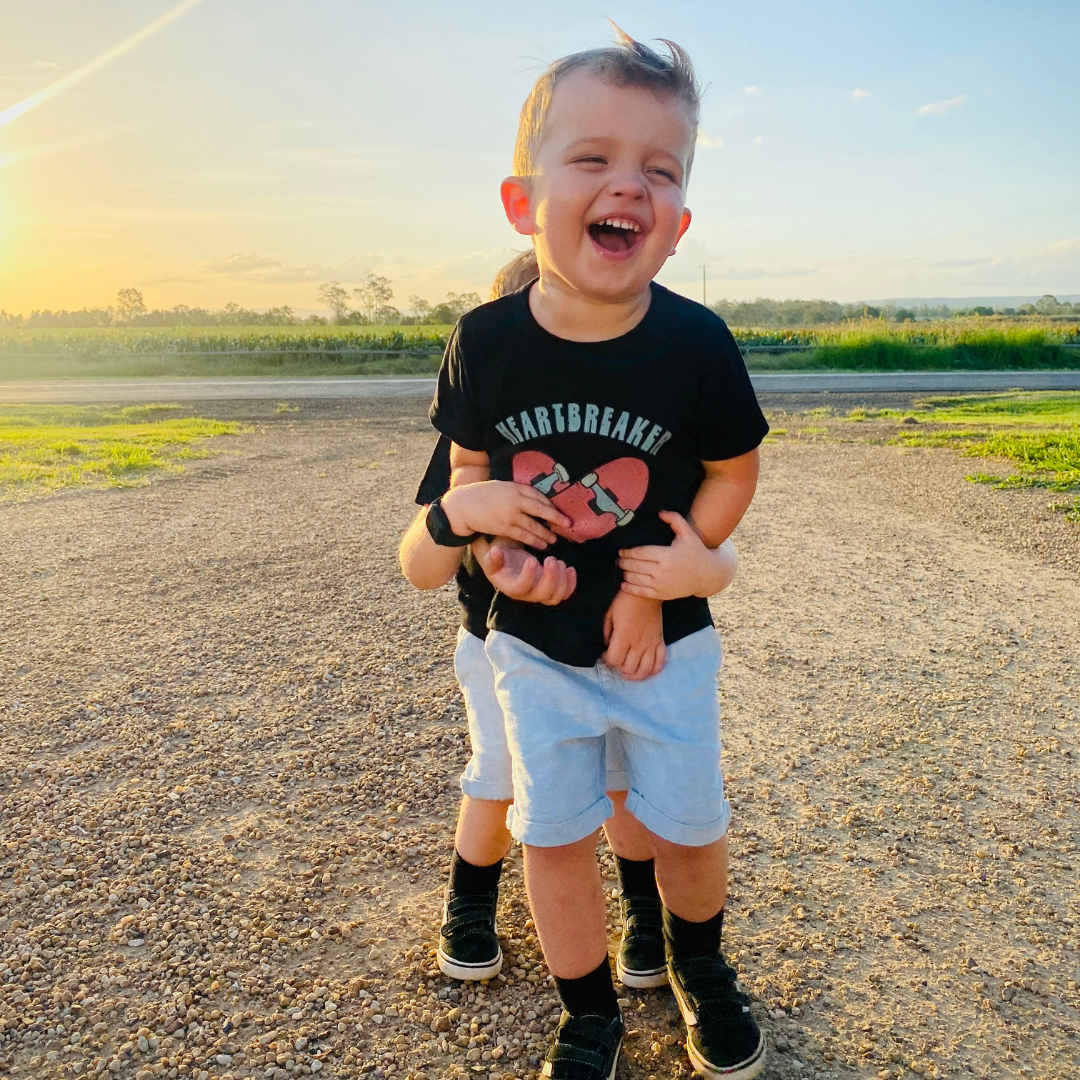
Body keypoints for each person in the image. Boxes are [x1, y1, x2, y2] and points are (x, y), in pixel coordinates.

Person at [428, 28, 769, 1080]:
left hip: (665, 645)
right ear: (522, 202)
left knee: (687, 825)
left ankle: (701, 970)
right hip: (532, 647)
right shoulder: (485, 340)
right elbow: (469, 479)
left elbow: (732, 471)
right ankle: (586, 1017)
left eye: (658, 170)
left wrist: (668, 579)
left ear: (676, 224)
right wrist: (490, 552)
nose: (628, 183)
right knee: (555, 834)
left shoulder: (698, 342)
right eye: (593, 158)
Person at [399, 248, 740, 992]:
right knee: (498, 779)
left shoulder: (647, 415)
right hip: (499, 644)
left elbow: (714, 555)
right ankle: (471, 905)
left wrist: (673, 583)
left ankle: (645, 919)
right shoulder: (478, 447)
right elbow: (419, 566)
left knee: (621, 790)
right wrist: (463, 517)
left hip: (610, 647)